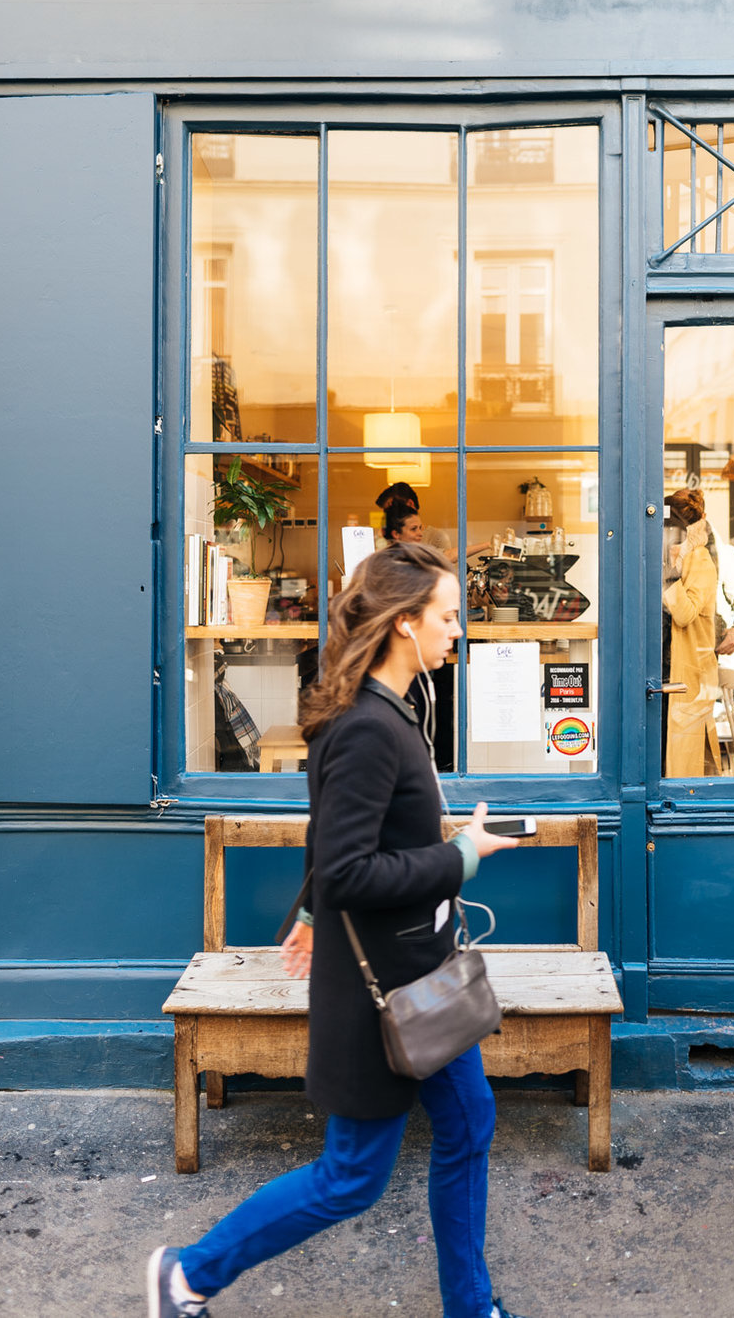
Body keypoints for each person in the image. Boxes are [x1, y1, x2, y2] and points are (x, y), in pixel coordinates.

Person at [148, 542, 530, 1318]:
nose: (458, 630)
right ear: (403, 623)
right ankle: (186, 1273)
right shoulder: (366, 728)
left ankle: (471, 1306)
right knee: (351, 1176)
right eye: (448, 617)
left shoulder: (392, 711)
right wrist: (461, 856)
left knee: (469, 1125)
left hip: (423, 979)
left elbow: (338, 845)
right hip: (381, 992)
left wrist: (318, 913)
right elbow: (353, 864)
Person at [662, 488, 721, 778]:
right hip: (664, 672)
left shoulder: (699, 560)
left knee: (681, 766)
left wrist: (668, 575)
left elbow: (684, 614)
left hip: (684, 675)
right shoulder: (681, 559)